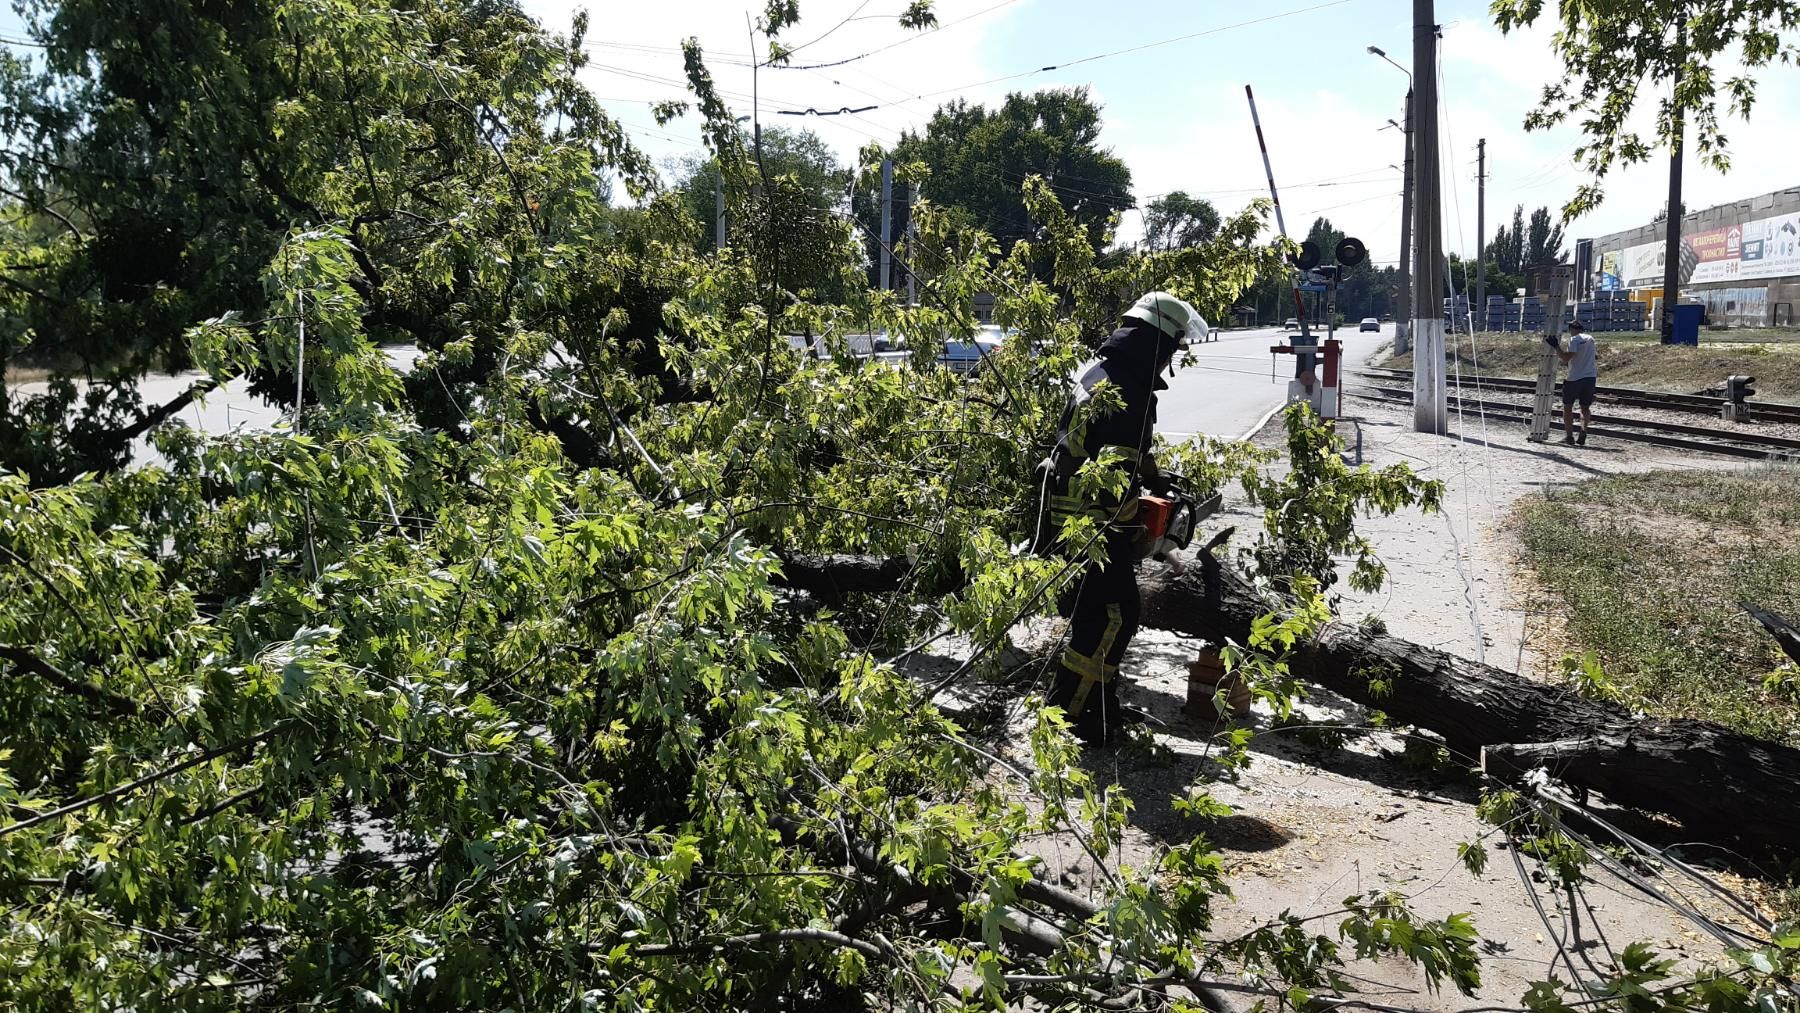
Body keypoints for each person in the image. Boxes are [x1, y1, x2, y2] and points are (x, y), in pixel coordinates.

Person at [1038, 291, 1207, 746]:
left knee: (1097, 615)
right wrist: (1137, 523)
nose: (1169, 360)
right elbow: (1114, 470)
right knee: (1113, 615)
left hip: (1066, 511)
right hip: (1093, 520)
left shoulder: (1103, 371)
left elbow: (1106, 445)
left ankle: (1095, 704)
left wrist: (1153, 475)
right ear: (1157, 344)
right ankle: (1077, 718)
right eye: (1170, 349)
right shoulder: (1131, 390)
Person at [1548, 319, 1597, 445]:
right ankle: (1583, 431)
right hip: (1590, 377)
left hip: (1575, 378)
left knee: (1567, 407)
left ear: (1572, 329)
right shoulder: (1591, 339)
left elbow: (1565, 358)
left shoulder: (1575, 339)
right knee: (1585, 408)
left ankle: (1569, 437)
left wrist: (1556, 346)